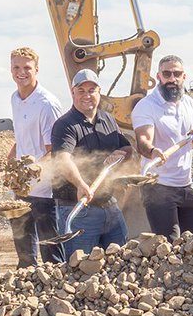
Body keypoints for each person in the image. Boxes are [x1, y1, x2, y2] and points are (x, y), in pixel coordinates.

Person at [51, 69, 134, 257]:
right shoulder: (65, 125)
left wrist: (120, 155)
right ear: (73, 92)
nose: (87, 95)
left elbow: (128, 148)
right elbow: (63, 159)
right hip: (79, 209)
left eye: (92, 90)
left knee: (120, 264)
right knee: (83, 270)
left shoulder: (108, 120)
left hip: (109, 206)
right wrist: (80, 184)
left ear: (99, 92)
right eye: (81, 91)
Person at [131, 54, 193, 239]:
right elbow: (142, 140)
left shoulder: (189, 103)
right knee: (170, 244)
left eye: (177, 74)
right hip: (159, 186)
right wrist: (152, 151)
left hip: (185, 183)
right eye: (167, 74)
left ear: (184, 77)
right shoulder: (146, 106)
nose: (172, 79)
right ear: (158, 77)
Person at [7, 46, 63, 265]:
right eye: (16, 67)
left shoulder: (46, 104)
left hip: (45, 191)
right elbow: (22, 136)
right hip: (22, 187)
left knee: (51, 251)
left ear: (37, 69)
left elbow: (55, 149)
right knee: (24, 250)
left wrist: (36, 167)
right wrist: (11, 159)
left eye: (27, 68)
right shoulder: (15, 98)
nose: (21, 72)